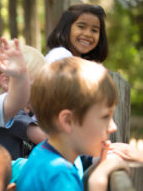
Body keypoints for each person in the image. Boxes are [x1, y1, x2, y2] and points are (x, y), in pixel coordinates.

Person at [16, 57, 129, 191]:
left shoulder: (41, 154)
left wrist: (97, 167)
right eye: (105, 117)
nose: (113, 127)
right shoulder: (59, 175)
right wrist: (98, 180)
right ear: (68, 121)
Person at [0, 43, 48, 159]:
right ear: (6, 82)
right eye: (36, 85)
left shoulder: (24, 112)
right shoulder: (7, 112)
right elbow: (46, 138)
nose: (42, 91)